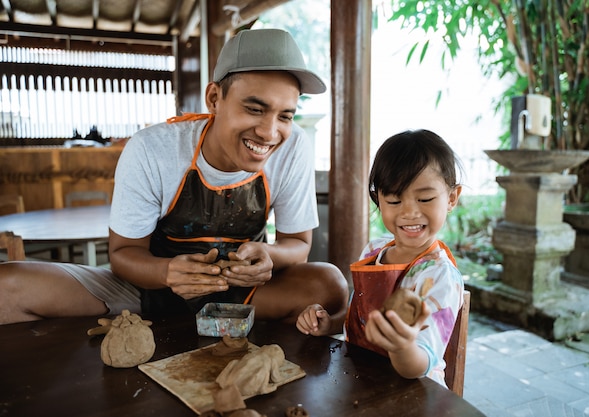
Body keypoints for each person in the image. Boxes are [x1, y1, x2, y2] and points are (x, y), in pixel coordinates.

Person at [0, 28, 348, 325]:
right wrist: (167, 273)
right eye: (254, 109)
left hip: (243, 295)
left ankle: (227, 330)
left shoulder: (293, 146)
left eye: (285, 116)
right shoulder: (154, 149)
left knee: (329, 284)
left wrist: (269, 255)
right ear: (215, 98)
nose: (270, 132)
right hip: (147, 292)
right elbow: (123, 254)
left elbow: (298, 246)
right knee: (8, 286)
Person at [296, 129, 464, 388]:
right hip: (360, 380)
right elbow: (361, 314)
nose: (409, 212)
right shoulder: (374, 251)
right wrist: (330, 322)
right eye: (395, 200)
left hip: (413, 394)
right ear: (379, 200)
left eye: (425, 198)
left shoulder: (440, 275)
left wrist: (402, 346)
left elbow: (420, 365)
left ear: (451, 198)